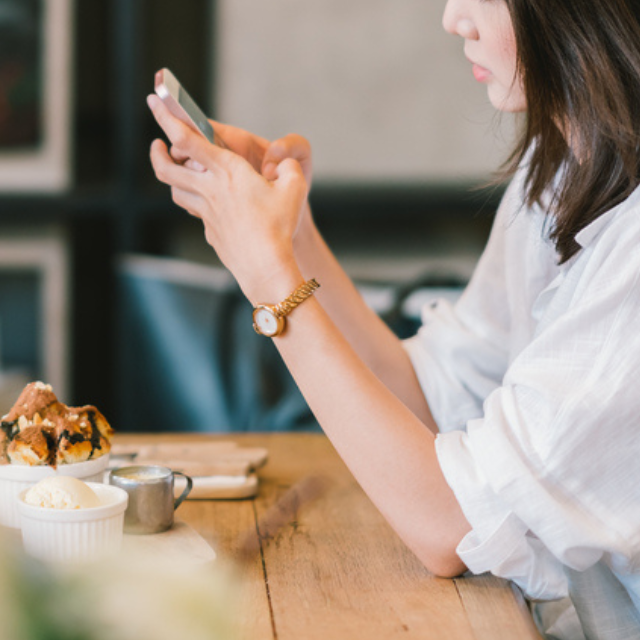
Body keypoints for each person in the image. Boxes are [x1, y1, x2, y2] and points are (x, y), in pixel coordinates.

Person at [148, 0, 640, 637]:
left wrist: (270, 278)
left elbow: (449, 524)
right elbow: (432, 398)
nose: (452, 18)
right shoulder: (561, 165)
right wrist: (291, 237)